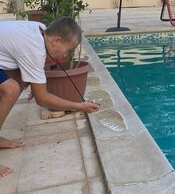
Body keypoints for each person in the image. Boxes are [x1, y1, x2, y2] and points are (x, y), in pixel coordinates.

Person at [0, 17, 100, 179]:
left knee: (19, 82)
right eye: (68, 50)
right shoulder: (34, 49)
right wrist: (80, 106)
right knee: (10, 89)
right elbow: (42, 99)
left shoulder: (40, 30)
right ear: (56, 40)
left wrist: (32, 83)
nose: (66, 56)